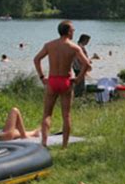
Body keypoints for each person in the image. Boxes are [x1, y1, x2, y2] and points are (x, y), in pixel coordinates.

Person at [33, 20, 91, 149]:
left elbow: (36, 59)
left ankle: (44, 143)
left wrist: (42, 77)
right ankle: (64, 146)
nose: (74, 32)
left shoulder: (49, 45)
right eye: (73, 30)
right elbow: (87, 64)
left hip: (52, 80)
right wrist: (78, 78)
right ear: (69, 31)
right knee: (66, 115)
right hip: (66, 81)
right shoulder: (74, 47)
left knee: (47, 114)